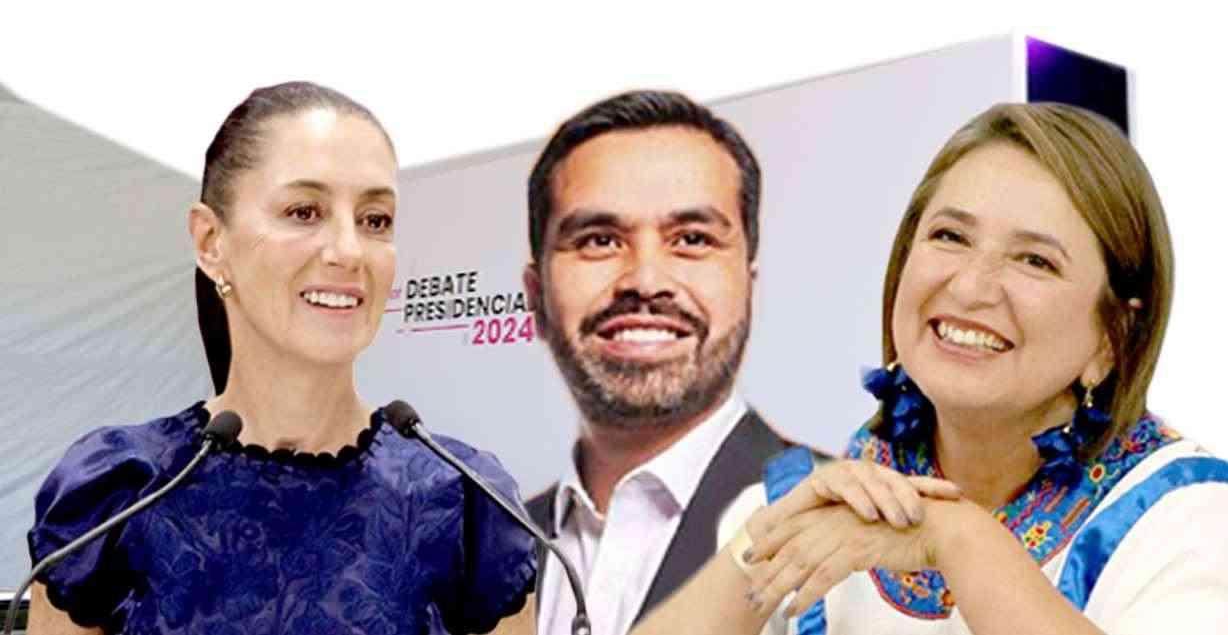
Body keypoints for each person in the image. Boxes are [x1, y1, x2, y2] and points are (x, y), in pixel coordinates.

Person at [631, 102, 1228, 634]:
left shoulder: (1186, 520)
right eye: (950, 236)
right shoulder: (817, 506)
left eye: (1035, 261)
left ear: (1113, 337)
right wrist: (759, 549)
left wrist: (959, 538)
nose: (970, 287)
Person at [26, 82, 536, 634]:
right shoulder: (120, 488)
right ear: (211, 242)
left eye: (375, 220)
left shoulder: (467, 502)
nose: (348, 251)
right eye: (304, 211)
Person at [522, 90, 819, 635]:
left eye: (691, 239)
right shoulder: (483, 554)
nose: (645, 280)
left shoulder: (848, 526)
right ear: (536, 295)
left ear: (748, 285)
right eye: (599, 240)